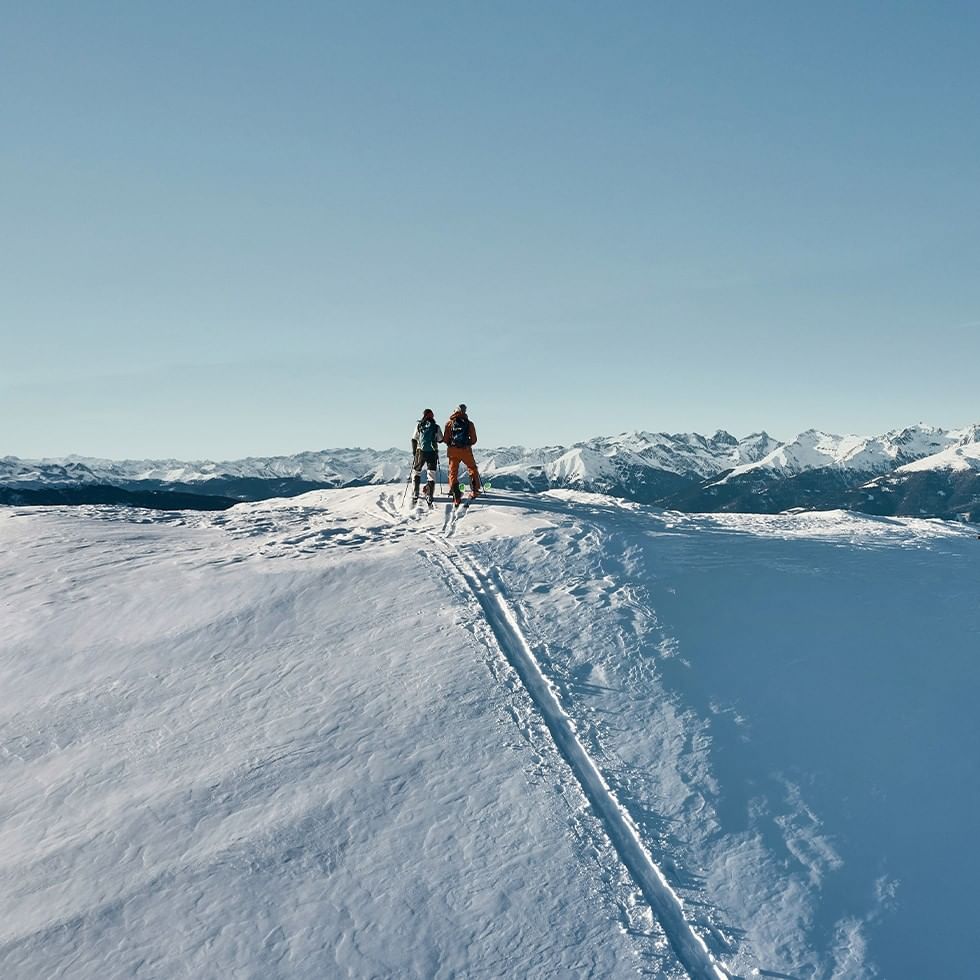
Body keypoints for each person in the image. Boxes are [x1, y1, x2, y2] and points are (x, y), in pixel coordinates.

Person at [443, 403, 481, 505]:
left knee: (453, 472)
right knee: (472, 468)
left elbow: (445, 439)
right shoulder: (469, 424)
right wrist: (467, 443)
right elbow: (474, 440)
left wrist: (451, 444)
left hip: (452, 451)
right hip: (465, 450)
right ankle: (474, 490)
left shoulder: (449, 424)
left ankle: (456, 495)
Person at [411, 408, 442, 506]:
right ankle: (429, 495)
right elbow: (440, 439)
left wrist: (414, 452)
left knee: (416, 471)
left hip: (420, 451)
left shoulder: (419, 426)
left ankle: (415, 492)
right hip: (432, 452)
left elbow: (413, 439)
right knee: (431, 474)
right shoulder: (436, 427)